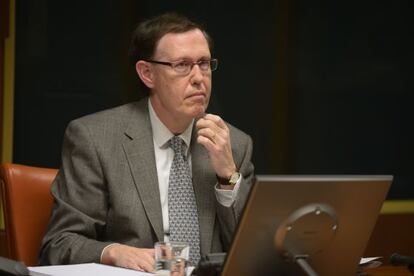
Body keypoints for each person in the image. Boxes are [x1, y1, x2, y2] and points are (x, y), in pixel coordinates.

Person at [39, 12, 254, 273]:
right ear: (147, 73)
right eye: (182, 65)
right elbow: (59, 244)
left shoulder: (233, 144)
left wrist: (228, 177)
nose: (199, 77)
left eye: (204, 63)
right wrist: (114, 253)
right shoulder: (95, 139)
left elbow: (252, 252)